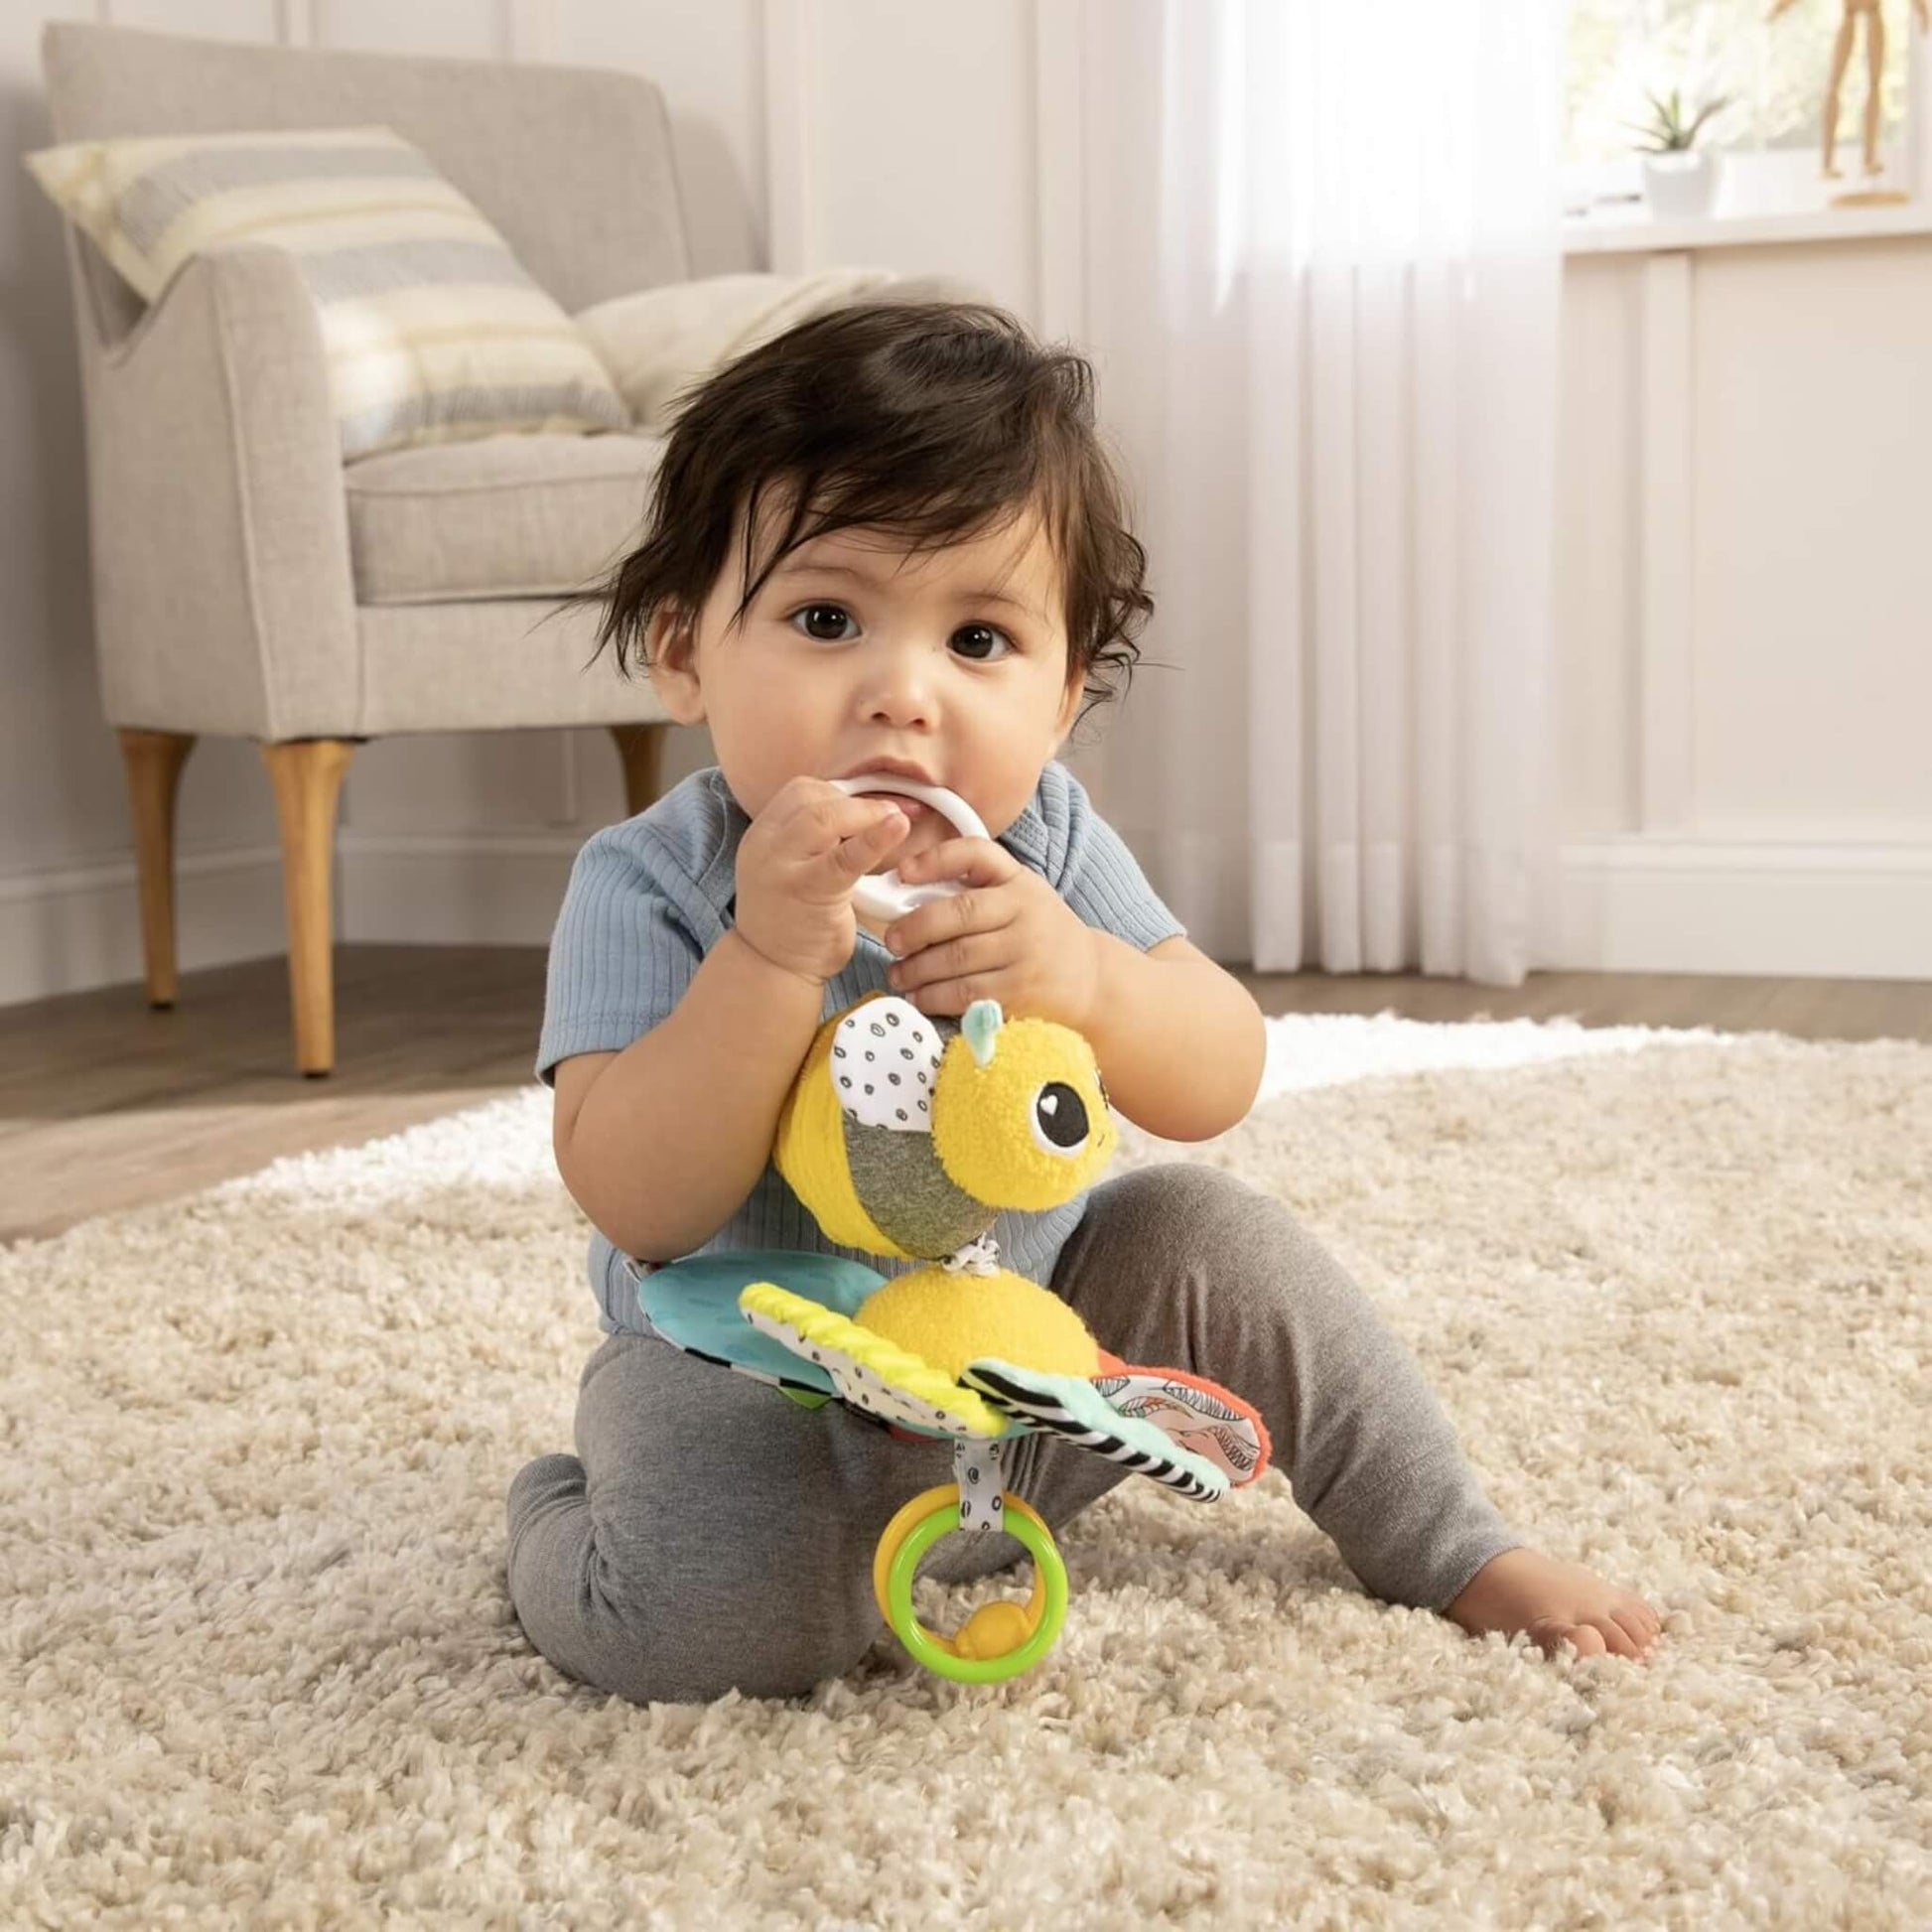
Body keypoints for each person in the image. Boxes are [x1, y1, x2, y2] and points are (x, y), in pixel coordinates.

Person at [505, 300, 1660, 1704]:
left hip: (1028, 1371)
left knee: (1208, 1233)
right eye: (826, 618)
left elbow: (1215, 1069)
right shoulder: (653, 882)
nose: (902, 695)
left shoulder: (1042, 846)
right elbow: (639, 1199)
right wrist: (763, 959)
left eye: (978, 640)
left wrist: (1085, 975)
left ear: (1061, 700)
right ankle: (553, 1511)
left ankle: (1449, 1537)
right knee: (714, 1631)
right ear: (684, 651)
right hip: (752, 1377)